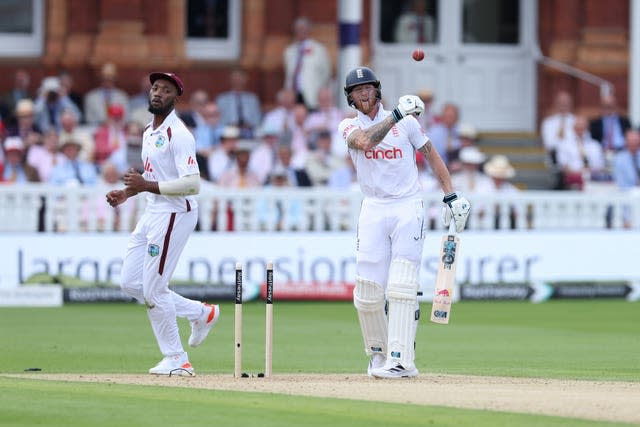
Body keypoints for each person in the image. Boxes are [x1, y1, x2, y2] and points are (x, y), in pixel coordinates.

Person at [338, 66, 470, 379]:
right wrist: (397, 114)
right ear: (351, 98)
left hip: (407, 206)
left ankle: (402, 361)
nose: (364, 94)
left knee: (401, 285)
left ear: (377, 89)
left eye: (368, 88)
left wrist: (451, 195)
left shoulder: (408, 123)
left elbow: (431, 154)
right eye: (358, 90)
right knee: (368, 291)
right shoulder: (347, 126)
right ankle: (378, 355)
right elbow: (366, 142)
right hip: (373, 208)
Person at [105, 72, 220, 376]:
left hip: (175, 214)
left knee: (154, 290)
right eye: (155, 88)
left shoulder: (179, 134)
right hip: (152, 211)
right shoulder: (148, 130)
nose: (158, 94)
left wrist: (144, 186)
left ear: (175, 98)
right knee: (131, 283)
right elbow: (152, 175)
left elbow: (193, 184)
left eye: (166, 91)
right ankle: (201, 313)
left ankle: (178, 360)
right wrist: (127, 193)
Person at [283, 17, 331, 110]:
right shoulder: (289, 51)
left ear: (309, 30)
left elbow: (326, 74)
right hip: (293, 96)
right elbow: (288, 75)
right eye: (298, 29)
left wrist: (321, 94)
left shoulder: (319, 50)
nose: (301, 32)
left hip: (312, 97)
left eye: (303, 29)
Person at [215, 68, 262, 138]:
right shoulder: (222, 99)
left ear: (246, 79)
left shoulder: (253, 99)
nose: (237, 80)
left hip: (250, 132)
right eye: (235, 77)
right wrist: (231, 125)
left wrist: (249, 125)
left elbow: (258, 119)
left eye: (240, 77)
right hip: (228, 132)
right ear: (230, 79)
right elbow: (218, 120)